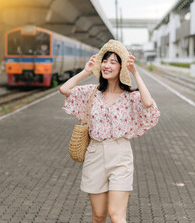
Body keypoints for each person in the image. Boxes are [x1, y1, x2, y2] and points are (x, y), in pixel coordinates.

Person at [59, 40, 160, 223]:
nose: (106, 65)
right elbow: (64, 89)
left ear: (121, 67)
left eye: (113, 62)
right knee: (98, 216)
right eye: (104, 61)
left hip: (120, 156)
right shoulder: (92, 92)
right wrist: (86, 71)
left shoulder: (131, 97)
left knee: (116, 215)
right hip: (95, 154)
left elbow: (147, 103)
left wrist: (135, 72)